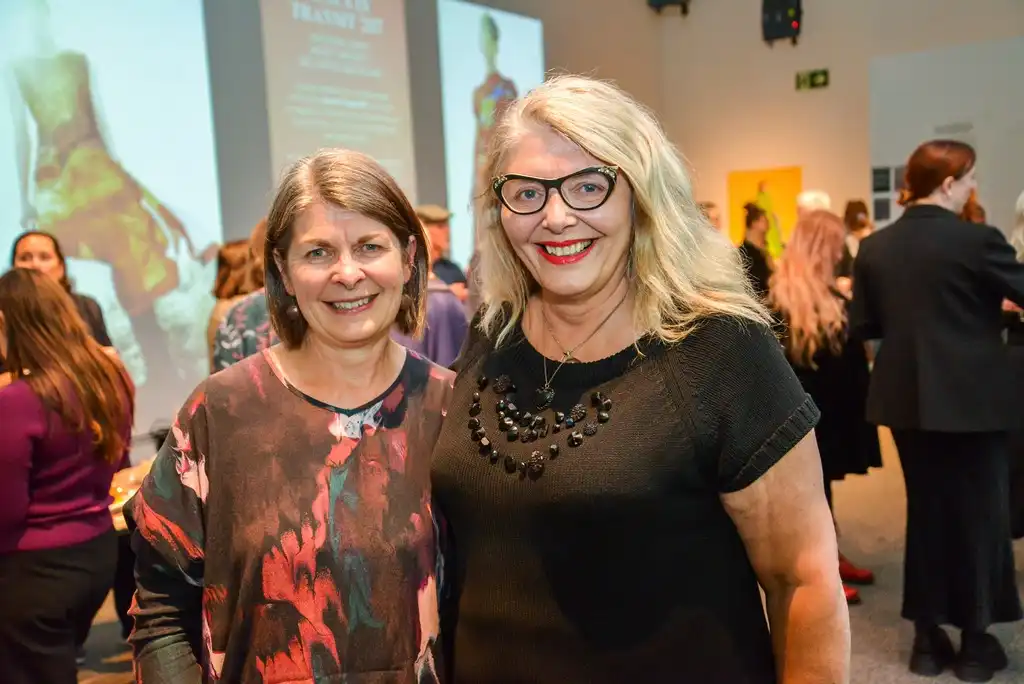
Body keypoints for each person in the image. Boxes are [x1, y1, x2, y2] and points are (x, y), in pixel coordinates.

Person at [431, 75, 849, 683]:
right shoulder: (494, 331)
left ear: (642, 197)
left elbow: (803, 580)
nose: (555, 217)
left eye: (588, 186)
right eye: (527, 193)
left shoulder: (719, 348)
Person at [128, 149, 453, 682]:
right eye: (318, 252)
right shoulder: (222, 412)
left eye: (370, 246)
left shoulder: (450, 409)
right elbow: (162, 612)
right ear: (283, 269)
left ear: (408, 255)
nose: (347, 273)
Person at [851, 139, 1024, 681]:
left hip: (906, 397)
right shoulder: (978, 240)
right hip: (974, 398)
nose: (973, 188)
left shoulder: (874, 247)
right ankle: (974, 643)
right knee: (981, 516)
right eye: (970, 179)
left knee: (926, 512)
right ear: (949, 184)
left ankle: (927, 642)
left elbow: (866, 325)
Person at [0, 268, 134, 684]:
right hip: (96, 553)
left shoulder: (18, 401)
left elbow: (7, 511)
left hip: (33, 570)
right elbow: (116, 462)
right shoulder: (110, 380)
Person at [768, 209, 882, 607]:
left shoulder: (821, 293)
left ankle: (831, 555)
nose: (840, 253)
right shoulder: (784, 298)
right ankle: (820, 570)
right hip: (808, 412)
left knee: (823, 486)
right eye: (834, 245)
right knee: (811, 493)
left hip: (832, 408)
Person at [10, 230, 112, 347]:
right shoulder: (3, 310)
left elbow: (105, 353)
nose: (35, 265)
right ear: (13, 268)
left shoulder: (86, 306)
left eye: (44, 257)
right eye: (25, 258)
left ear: (61, 268)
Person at [416, 204, 468, 299]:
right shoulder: (412, 269)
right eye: (440, 226)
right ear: (423, 230)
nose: (447, 231)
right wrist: (449, 293)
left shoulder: (452, 269)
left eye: (447, 226)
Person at [738, 202, 772, 299]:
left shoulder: (764, 252)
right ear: (754, 223)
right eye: (764, 220)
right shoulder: (745, 253)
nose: (768, 223)